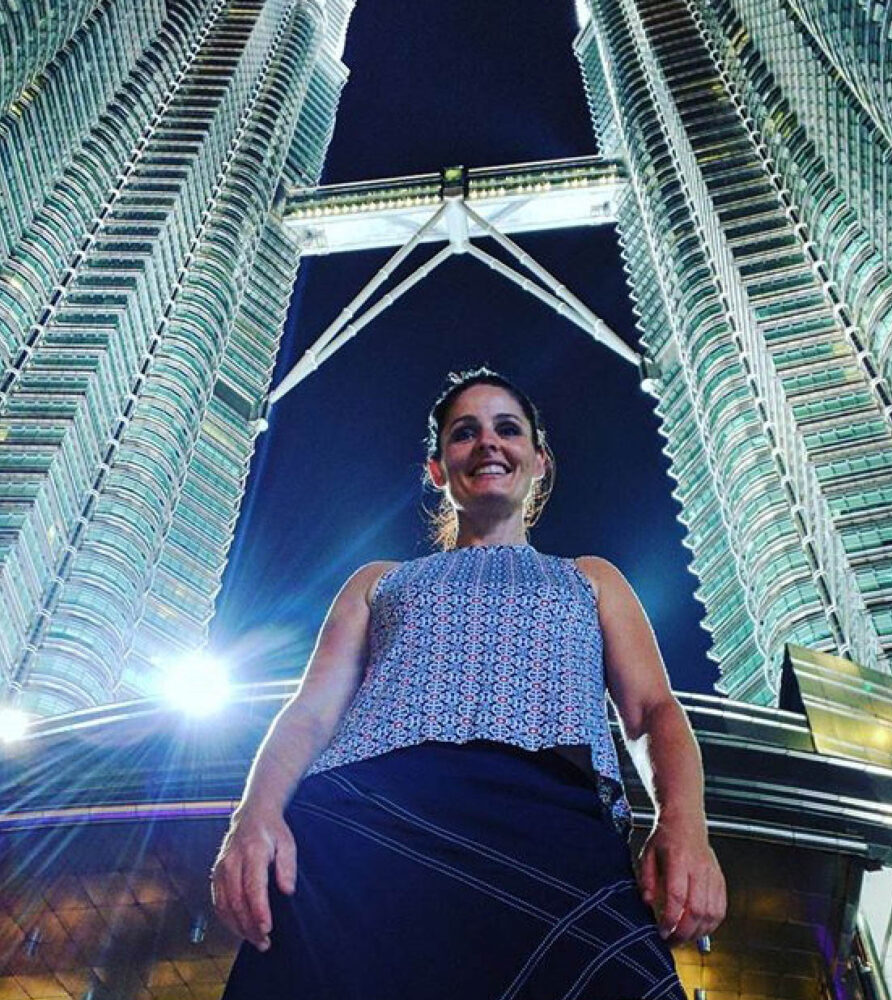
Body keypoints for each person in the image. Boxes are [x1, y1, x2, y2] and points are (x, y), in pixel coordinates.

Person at [212, 368, 726, 999]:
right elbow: (310, 715)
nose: (488, 443)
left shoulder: (593, 578)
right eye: (464, 433)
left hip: (554, 827)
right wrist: (254, 816)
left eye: (507, 429)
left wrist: (685, 824)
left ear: (539, 461)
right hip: (363, 826)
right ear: (437, 468)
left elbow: (652, 712)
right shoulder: (377, 582)